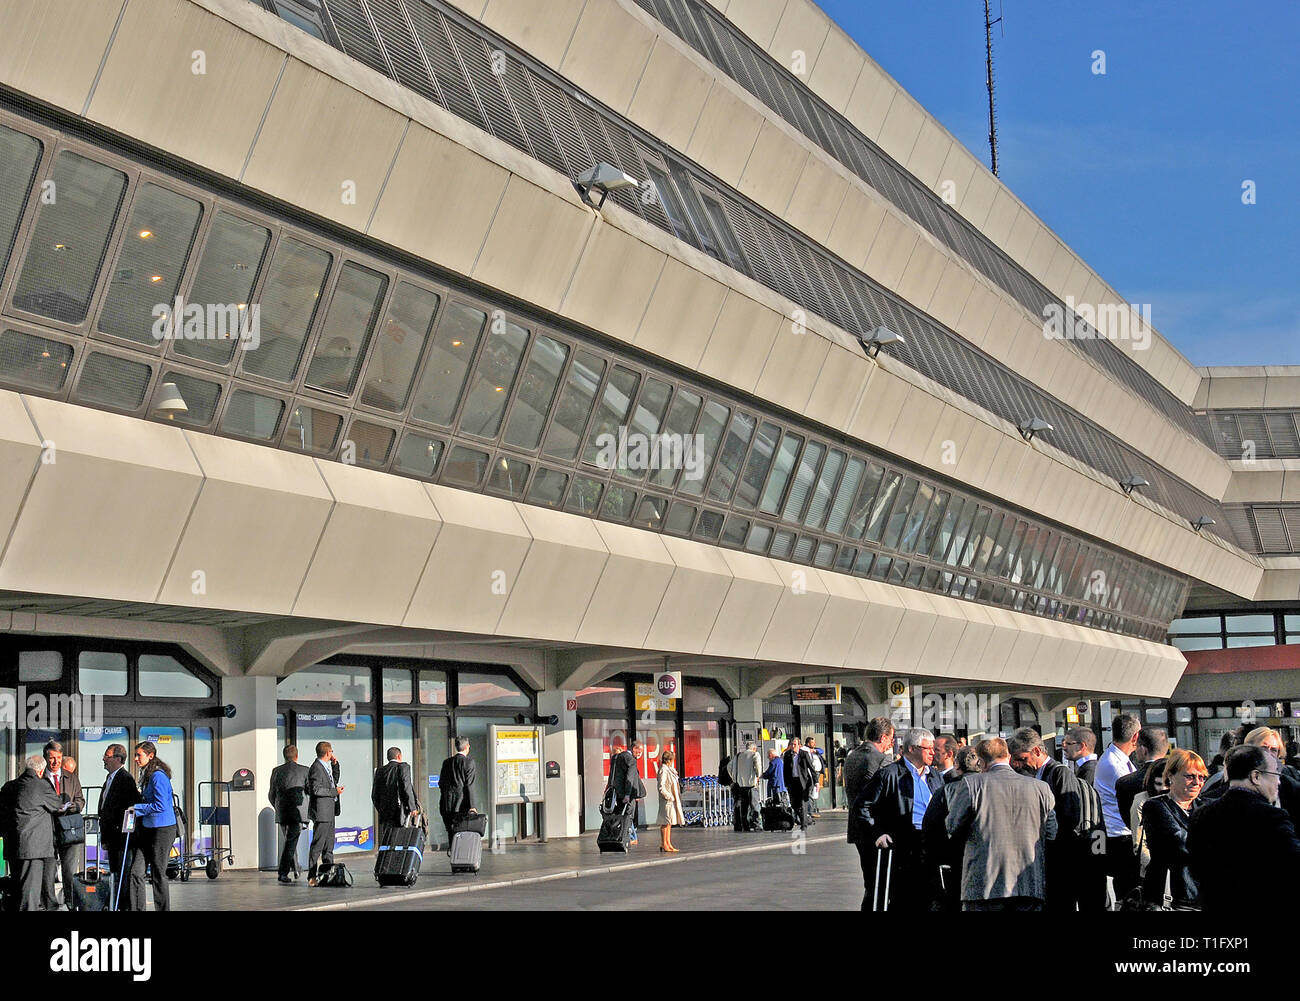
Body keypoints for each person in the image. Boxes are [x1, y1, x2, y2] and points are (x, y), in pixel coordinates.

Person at [945, 738, 1057, 911]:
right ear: (1009, 756)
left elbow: (952, 826)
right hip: (1028, 883)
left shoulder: (972, 784)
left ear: (981, 762)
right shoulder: (1041, 788)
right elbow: (1051, 831)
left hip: (983, 884)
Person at [1187, 745, 1300, 912]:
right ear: (1255, 776)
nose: (1279, 781)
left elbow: (1195, 868)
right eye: (1275, 774)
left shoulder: (1201, 815)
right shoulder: (1272, 818)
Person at [849, 727, 942, 912]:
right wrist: (877, 833)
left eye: (934, 748)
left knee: (930, 897)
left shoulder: (934, 776)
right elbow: (862, 806)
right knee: (903, 898)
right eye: (928, 748)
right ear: (912, 749)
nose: (933, 752)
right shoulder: (890, 774)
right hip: (904, 844)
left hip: (930, 844)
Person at [1007, 727, 1082, 912]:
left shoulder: (1059, 774)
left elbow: (1070, 817)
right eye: (1015, 760)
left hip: (1059, 859)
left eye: (1022, 759)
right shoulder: (1032, 776)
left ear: (1037, 751)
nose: (1018, 765)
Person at [1140, 748, 1207, 910]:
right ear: (1170, 776)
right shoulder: (1155, 806)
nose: (1197, 782)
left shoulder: (1206, 806)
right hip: (1172, 897)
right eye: (1190, 776)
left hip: (1204, 896)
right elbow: (1179, 844)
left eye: (1202, 777)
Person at [921, 744, 983, 911]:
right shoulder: (989, 788)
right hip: (984, 859)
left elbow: (930, 826)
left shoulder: (946, 790)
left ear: (957, 765)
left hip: (951, 860)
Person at [0, 755, 66, 910]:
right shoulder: (40, 785)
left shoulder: (9, 786)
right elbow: (57, 805)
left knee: (17, 888)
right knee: (30, 894)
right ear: (41, 770)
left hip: (13, 846)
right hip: (34, 848)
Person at [1095, 713, 1141, 902]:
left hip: (1119, 832)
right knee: (1128, 889)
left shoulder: (1118, 759)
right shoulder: (1115, 765)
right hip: (1119, 835)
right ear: (1136, 737)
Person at [127, 741, 178, 911]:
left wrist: (137, 808)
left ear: (150, 756)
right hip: (147, 829)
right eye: (135, 755)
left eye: (138, 755)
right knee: (136, 872)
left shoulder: (158, 776)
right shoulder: (146, 774)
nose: (135, 758)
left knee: (158, 873)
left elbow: (161, 805)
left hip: (162, 830)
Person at [42, 740, 85, 910]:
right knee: (48, 871)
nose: (55, 762)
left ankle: (71, 902)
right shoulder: (40, 777)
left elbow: (80, 800)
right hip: (48, 830)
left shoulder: (71, 777)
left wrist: (73, 806)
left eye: (58, 757)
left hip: (69, 829)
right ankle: (49, 904)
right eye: (52, 758)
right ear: (46, 758)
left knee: (69, 871)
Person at [97, 743, 139, 904]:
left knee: (123, 874)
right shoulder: (109, 778)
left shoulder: (125, 779)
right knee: (115, 872)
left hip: (121, 838)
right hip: (112, 837)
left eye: (107, 756)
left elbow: (130, 809)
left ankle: (124, 905)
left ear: (118, 759)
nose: (104, 759)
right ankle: (117, 903)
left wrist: (125, 833)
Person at [268, 744, 309, 883]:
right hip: (298, 813)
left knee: (289, 840)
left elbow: (271, 794)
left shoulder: (277, 771)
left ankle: (296, 867)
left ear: (284, 756)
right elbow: (310, 791)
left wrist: (278, 806)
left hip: (282, 812)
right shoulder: (304, 770)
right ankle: (283, 872)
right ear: (297, 756)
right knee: (291, 841)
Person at [1115, 727, 1168, 833]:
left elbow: (1130, 821)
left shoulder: (1125, 783)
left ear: (1144, 750)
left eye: (1137, 746)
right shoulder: (1181, 777)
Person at [305, 741, 342, 886]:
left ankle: (329, 874)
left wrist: (335, 765)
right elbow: (316, 790)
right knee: (317, 846)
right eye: (331, 751)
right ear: (327, 752)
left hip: (330, 810)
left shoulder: (326, 766)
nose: (332, 754)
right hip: (321, 812)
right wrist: (335, 792)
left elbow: (334, 780)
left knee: (329, 846)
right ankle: (312, 876)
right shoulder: (316, 768)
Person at [372, 746, 420, 851]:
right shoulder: (403, 767)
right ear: (399, 756)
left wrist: (381, 809)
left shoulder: (380, 771)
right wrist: (412, 807)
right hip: (400, 812)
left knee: (388, 840)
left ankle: (387, 862)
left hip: (386, 813)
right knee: (400, 840)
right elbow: (407, 788)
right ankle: (398, 862)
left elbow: (374, 795)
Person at [843, 717, 894, 804]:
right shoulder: (882, 759)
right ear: (883, 738)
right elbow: (891, 791)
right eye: (891, 739)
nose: (891, 743)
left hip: (854, 814)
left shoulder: (851, 755)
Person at [604, 737, 645, 846]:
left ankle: (618, 836)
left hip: (616, 792)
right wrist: (627, 794)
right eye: (639, 751)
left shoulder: (616, 757)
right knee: (628, 815)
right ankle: (629, 838)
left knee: (618, 815)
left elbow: (612, 775)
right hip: (627, 794)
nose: (640, 754)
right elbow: (629, 779)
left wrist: (608, 789)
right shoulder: (631, 759)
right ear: (634, 748)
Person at [439, 737, 478, 848]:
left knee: (451, 834)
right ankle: (463, 860)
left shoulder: (446, 762)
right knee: (463, 835)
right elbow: (469, 785)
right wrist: (472, 806)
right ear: (466, 747)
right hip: (462, 806)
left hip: (446, 805)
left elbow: (441, 783)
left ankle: (453, 857)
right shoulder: (469, 762)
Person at [782, 738, 816, 830]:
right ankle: (804, 819)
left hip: (803, 782)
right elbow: (785, 771)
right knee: (794, 804)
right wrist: (786, 783)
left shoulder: (803, 754)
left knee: (803, 803)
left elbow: (811, 768)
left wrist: (815, 781)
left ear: (799, 745)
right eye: (792, 744)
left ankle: (804, 825)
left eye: (795, 744)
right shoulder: (787, 755)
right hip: (793, 782)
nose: (793, 746)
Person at [657, 750, 684, 853]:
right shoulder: (663, 770)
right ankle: (664, 844)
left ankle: (668, 843)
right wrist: (669, 797)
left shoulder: (669, 769)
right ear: (669, 760)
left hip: (671, 799)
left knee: (669, 822)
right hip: (667, 800)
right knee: (665, 822)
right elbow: (661, 786)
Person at [731, 741, 761, 832]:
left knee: (744, 806)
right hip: (751, 784)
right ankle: (757, 825)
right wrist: (758, 775)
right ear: (754, 748)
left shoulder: (739, 756)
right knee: (755, 805)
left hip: (741, 785)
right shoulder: (755, 754)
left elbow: (730, 767)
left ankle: (745, 825)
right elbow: (758, 766)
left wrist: (735, 778)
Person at [805, 736, 826, 818]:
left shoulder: (815, 751)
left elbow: (821, 751)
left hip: (817, 773)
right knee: (811, 791)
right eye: (812, 742)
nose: (814, 744)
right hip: (811, 773)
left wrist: (815, 750)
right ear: (808, 743)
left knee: (815, 791)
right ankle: (810, 811)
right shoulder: (806, 751)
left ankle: (813, 809)